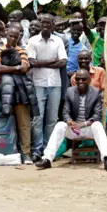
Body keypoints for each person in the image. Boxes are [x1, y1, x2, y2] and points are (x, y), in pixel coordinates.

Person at [36, 69, 107, 172]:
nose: (80, 81)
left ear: (89, 80)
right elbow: (65, 112)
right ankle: (47, 159)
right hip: (74, 130)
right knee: (60, 125)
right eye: (78, 79)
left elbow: (97, 115)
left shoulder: (95, 93)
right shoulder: (70, 91)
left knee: (98, 125)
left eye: (83, 79)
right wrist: (70, 122)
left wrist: (83, 124)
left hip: (88, 129)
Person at [27, 14, 67, 161]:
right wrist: (51, 61)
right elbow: (32, 62)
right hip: (39, 83)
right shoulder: (32, 41)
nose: (45, 25)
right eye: (43, 22)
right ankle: (37, 150)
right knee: (38, 118)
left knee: (52, 120)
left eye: (48, 23)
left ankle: (48, 150)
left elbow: (62, 62)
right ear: (40, 23)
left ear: (53, 25)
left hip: (55, 84)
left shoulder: (58, 40)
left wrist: (41, 62)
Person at [0, 24, 36, 161]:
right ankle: (9, 152)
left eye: (15, 37)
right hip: (5, 92)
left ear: (19, 38)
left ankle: (26, 153)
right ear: (6, 35)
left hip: (21, 91)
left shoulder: (22, 50)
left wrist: (10, 68)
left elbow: (24, 68)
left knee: (24, 124)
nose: (12, 38)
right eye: (10, 36)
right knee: (7, 122)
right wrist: (16, 67)